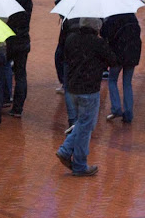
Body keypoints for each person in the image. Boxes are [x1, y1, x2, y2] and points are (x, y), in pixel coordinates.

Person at [56, 18, 117, 176]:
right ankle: (78, 163)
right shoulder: (98, 43)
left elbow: (65, 58)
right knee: (86, 126)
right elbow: (113, 60)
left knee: (82, 123)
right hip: (89, 89)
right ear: (97, 26)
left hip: (72, 87)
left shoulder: (71, 38)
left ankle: (69, 153)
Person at [101, 13, 141, 124]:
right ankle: (128, 114)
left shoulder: (113, 18)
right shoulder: (133, 18)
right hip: (132, 55)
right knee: (127, 83)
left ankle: (116, 108)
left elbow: (104, 34)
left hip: (117, 55)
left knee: (112, 80)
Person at [6, 0, 33, 117]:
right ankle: (18, 108)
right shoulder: (28, 1)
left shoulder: (8, 1)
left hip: (9, 41)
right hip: (23, 41)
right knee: (21, 74)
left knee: (4, 69)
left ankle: (5, 98)